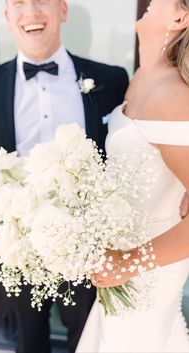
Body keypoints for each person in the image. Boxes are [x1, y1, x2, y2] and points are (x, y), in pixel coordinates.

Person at [0, 1, 129, 352]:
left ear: (62, 10)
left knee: (88, 340)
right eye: (19, 3)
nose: (32, 12)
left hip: (88, 253)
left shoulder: (111, 80)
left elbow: (126, 158)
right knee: (29, 342)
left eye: (42, 0)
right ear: (7, 17)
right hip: (17, 256)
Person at [76, 0, 189, 352]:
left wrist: (129, 263)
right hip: (121, 259)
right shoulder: (142, 76)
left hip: (149, 269)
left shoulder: (172, 94)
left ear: (180, 17)